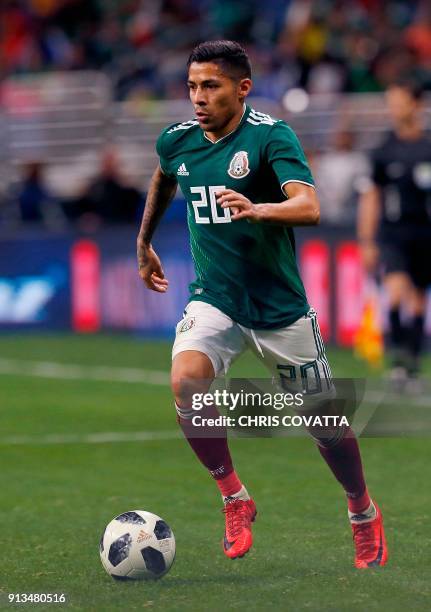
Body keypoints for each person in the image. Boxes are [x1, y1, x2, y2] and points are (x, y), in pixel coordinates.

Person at [137, 40, 387, 569]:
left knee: (327, 425)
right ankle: (234, 496)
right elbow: (165, 174)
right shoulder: (178, 141)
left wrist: (261, 209)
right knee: (186, 380)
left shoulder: (272, 136)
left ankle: (362, 511)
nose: (198, 97)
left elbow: (310, 205)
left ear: (242, 88)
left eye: (211, 86)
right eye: (192, 87)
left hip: (279, 311)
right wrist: (145, 242)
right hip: (216, 301)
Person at [358, 81, 431, 388]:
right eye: (390, 102)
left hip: (425, 232)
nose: (393, 108)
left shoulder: (428, 146)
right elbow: (372, 196)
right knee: (397, 291)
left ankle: (411, 362)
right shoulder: (383, 150)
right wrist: (366, 239)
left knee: (417, 299)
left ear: (415, 104)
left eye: (398, 101)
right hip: (394, 233)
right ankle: (399, 358)